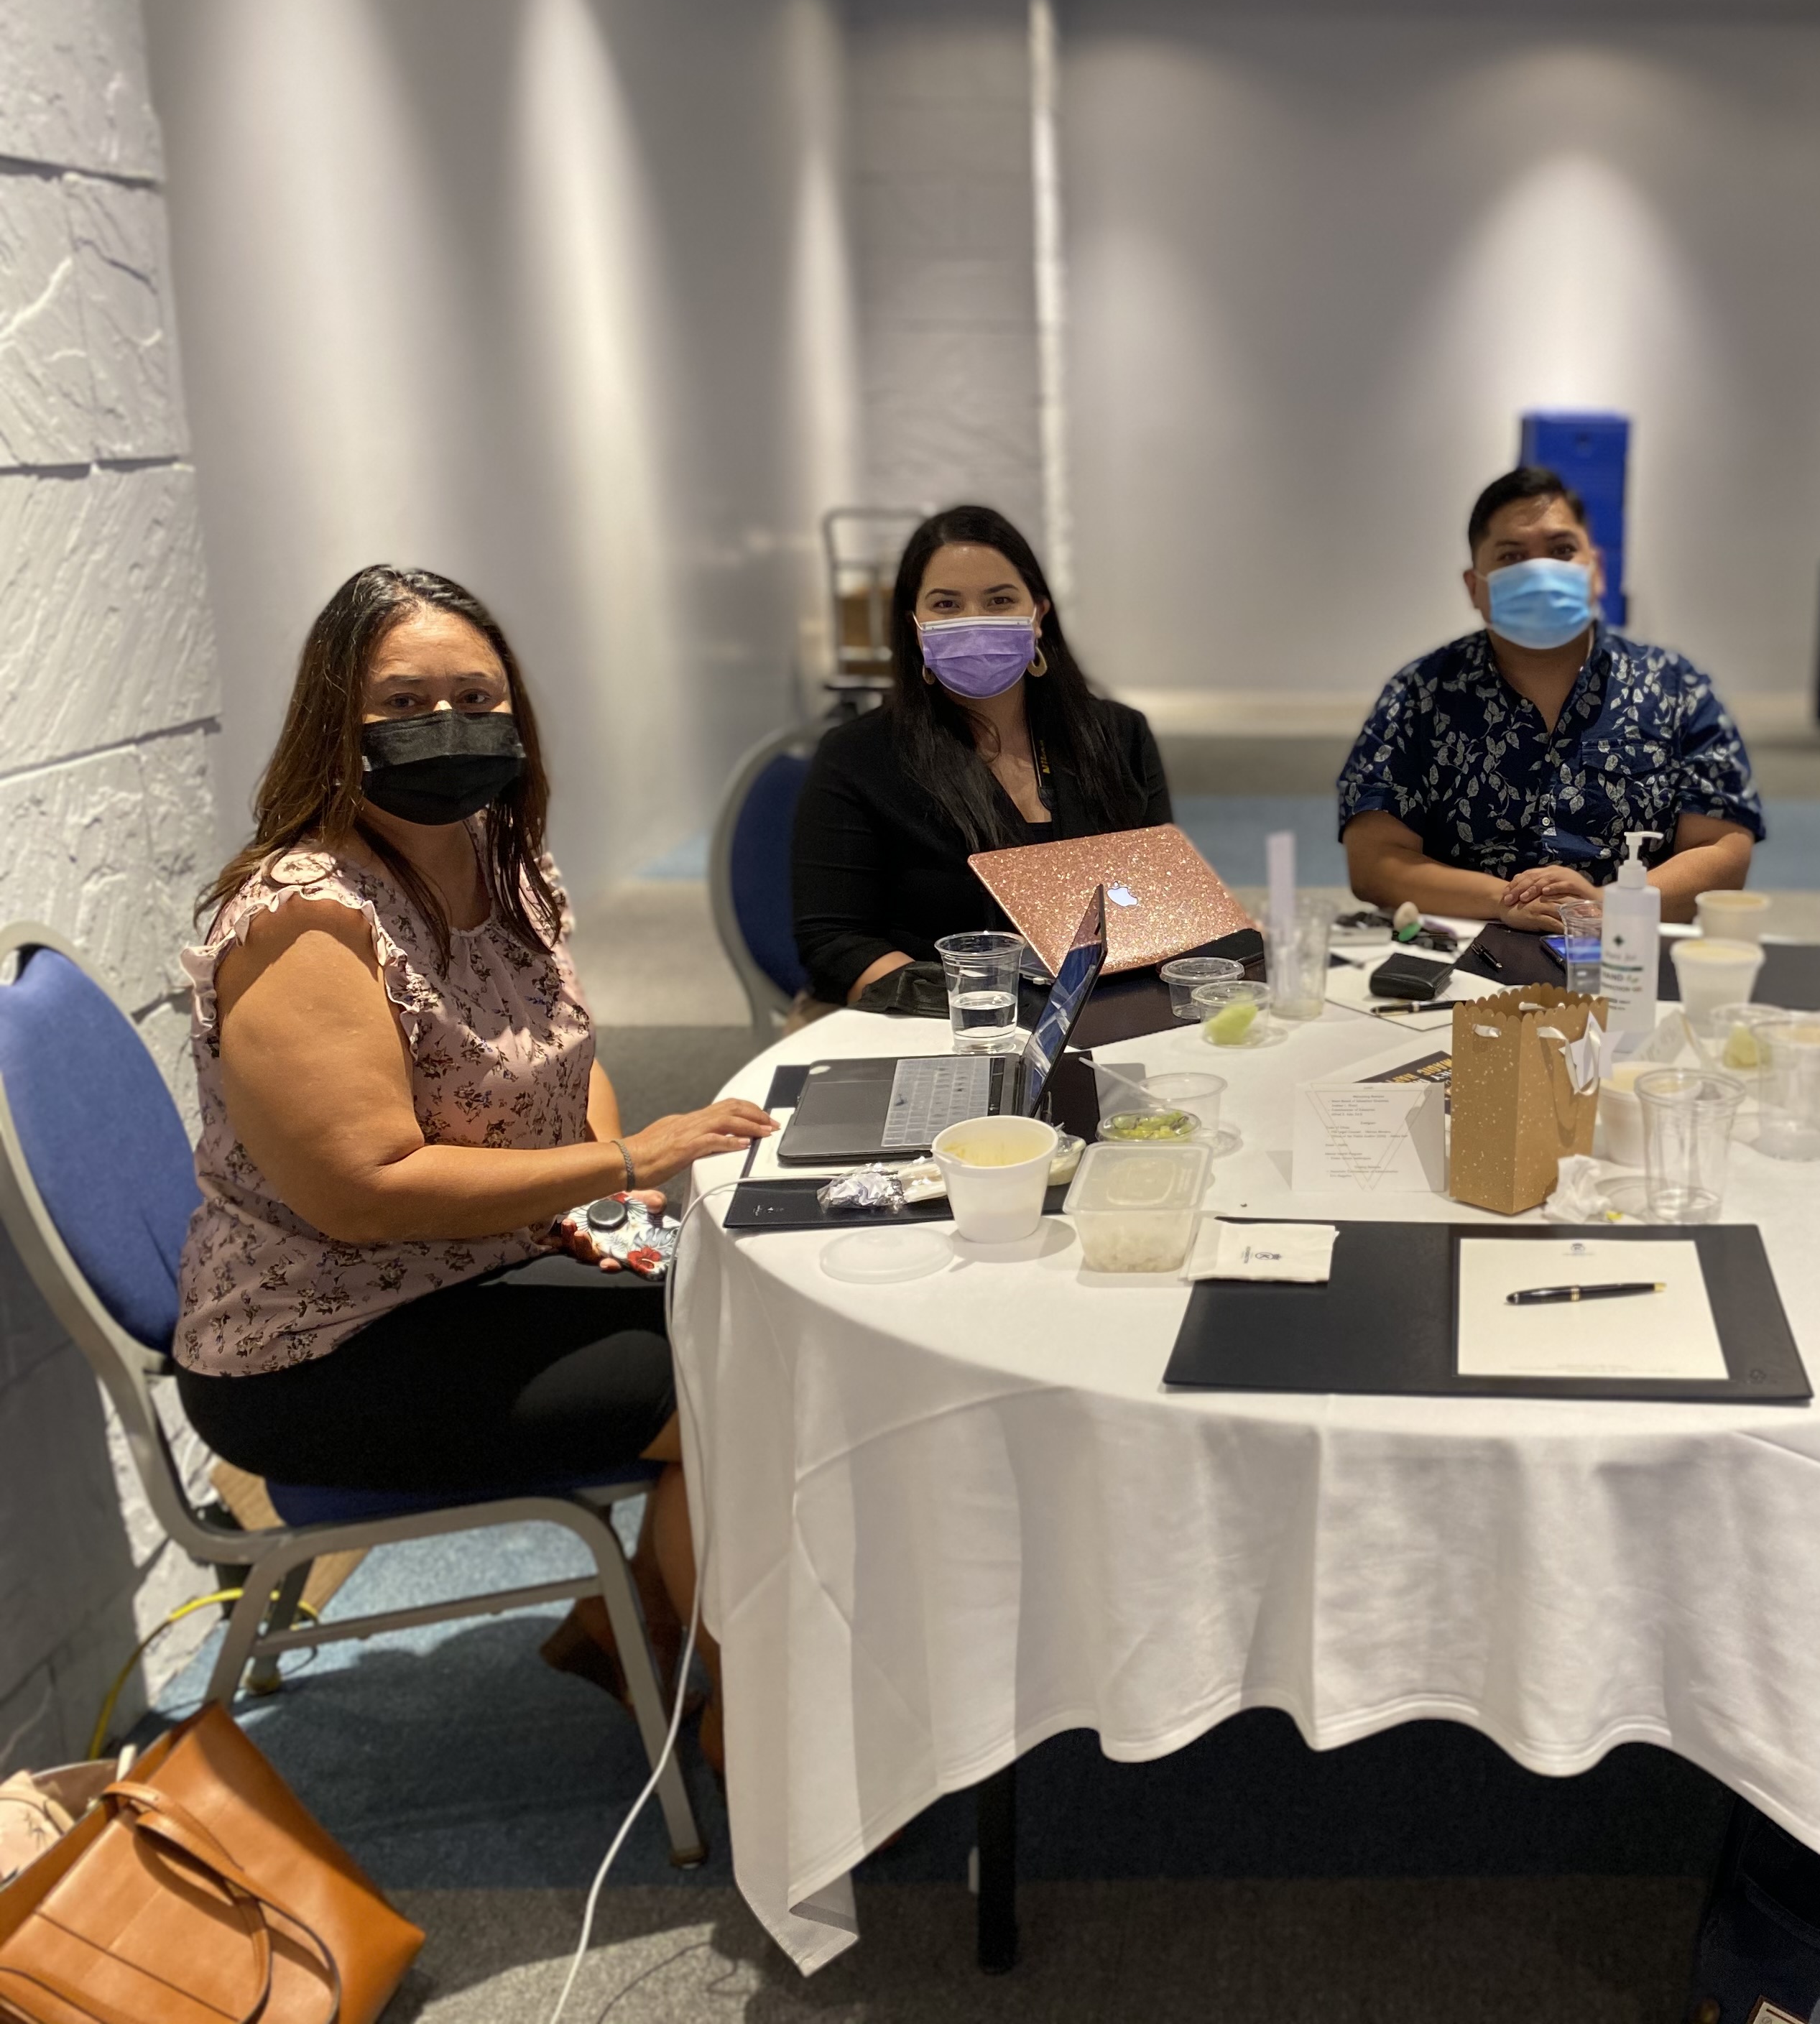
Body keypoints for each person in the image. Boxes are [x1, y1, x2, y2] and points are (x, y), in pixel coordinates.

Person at [172, 565, 780, 1767]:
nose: (447, 726)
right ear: (335, 723)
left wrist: (608, 1189)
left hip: (481, 1265)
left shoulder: (500, 857)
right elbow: (366, 1187)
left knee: (749, 1318)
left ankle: (629, 1620)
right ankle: (744, 1730)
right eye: (405, 700)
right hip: (326, 1343)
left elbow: (565, 1060)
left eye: (476, 694)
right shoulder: (308, 918)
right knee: (732, 1383)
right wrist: (619, 1158)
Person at [1338, 466, 1765, 930]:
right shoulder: (1419, 693)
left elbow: (1721, 850)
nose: (1540, 572)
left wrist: (1607, 905)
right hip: (1467, 949)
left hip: (1630, 952)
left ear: (1596, 571)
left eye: (1562, 551)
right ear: (1474, 587)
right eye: (1512, 556)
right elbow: (1375, 862)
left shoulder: (1677, 687)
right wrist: (1506, 900)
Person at [790, 504, 1172, 1005]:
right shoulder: (858, 757)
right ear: (914, 624)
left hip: (1108, 1014)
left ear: (1038, 614)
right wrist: (985, 1002)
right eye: (946, 605)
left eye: (999, 600)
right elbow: (836, 941)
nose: (975, 623)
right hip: (938, 1026)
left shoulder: (1117, 736)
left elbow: (1160, 904)